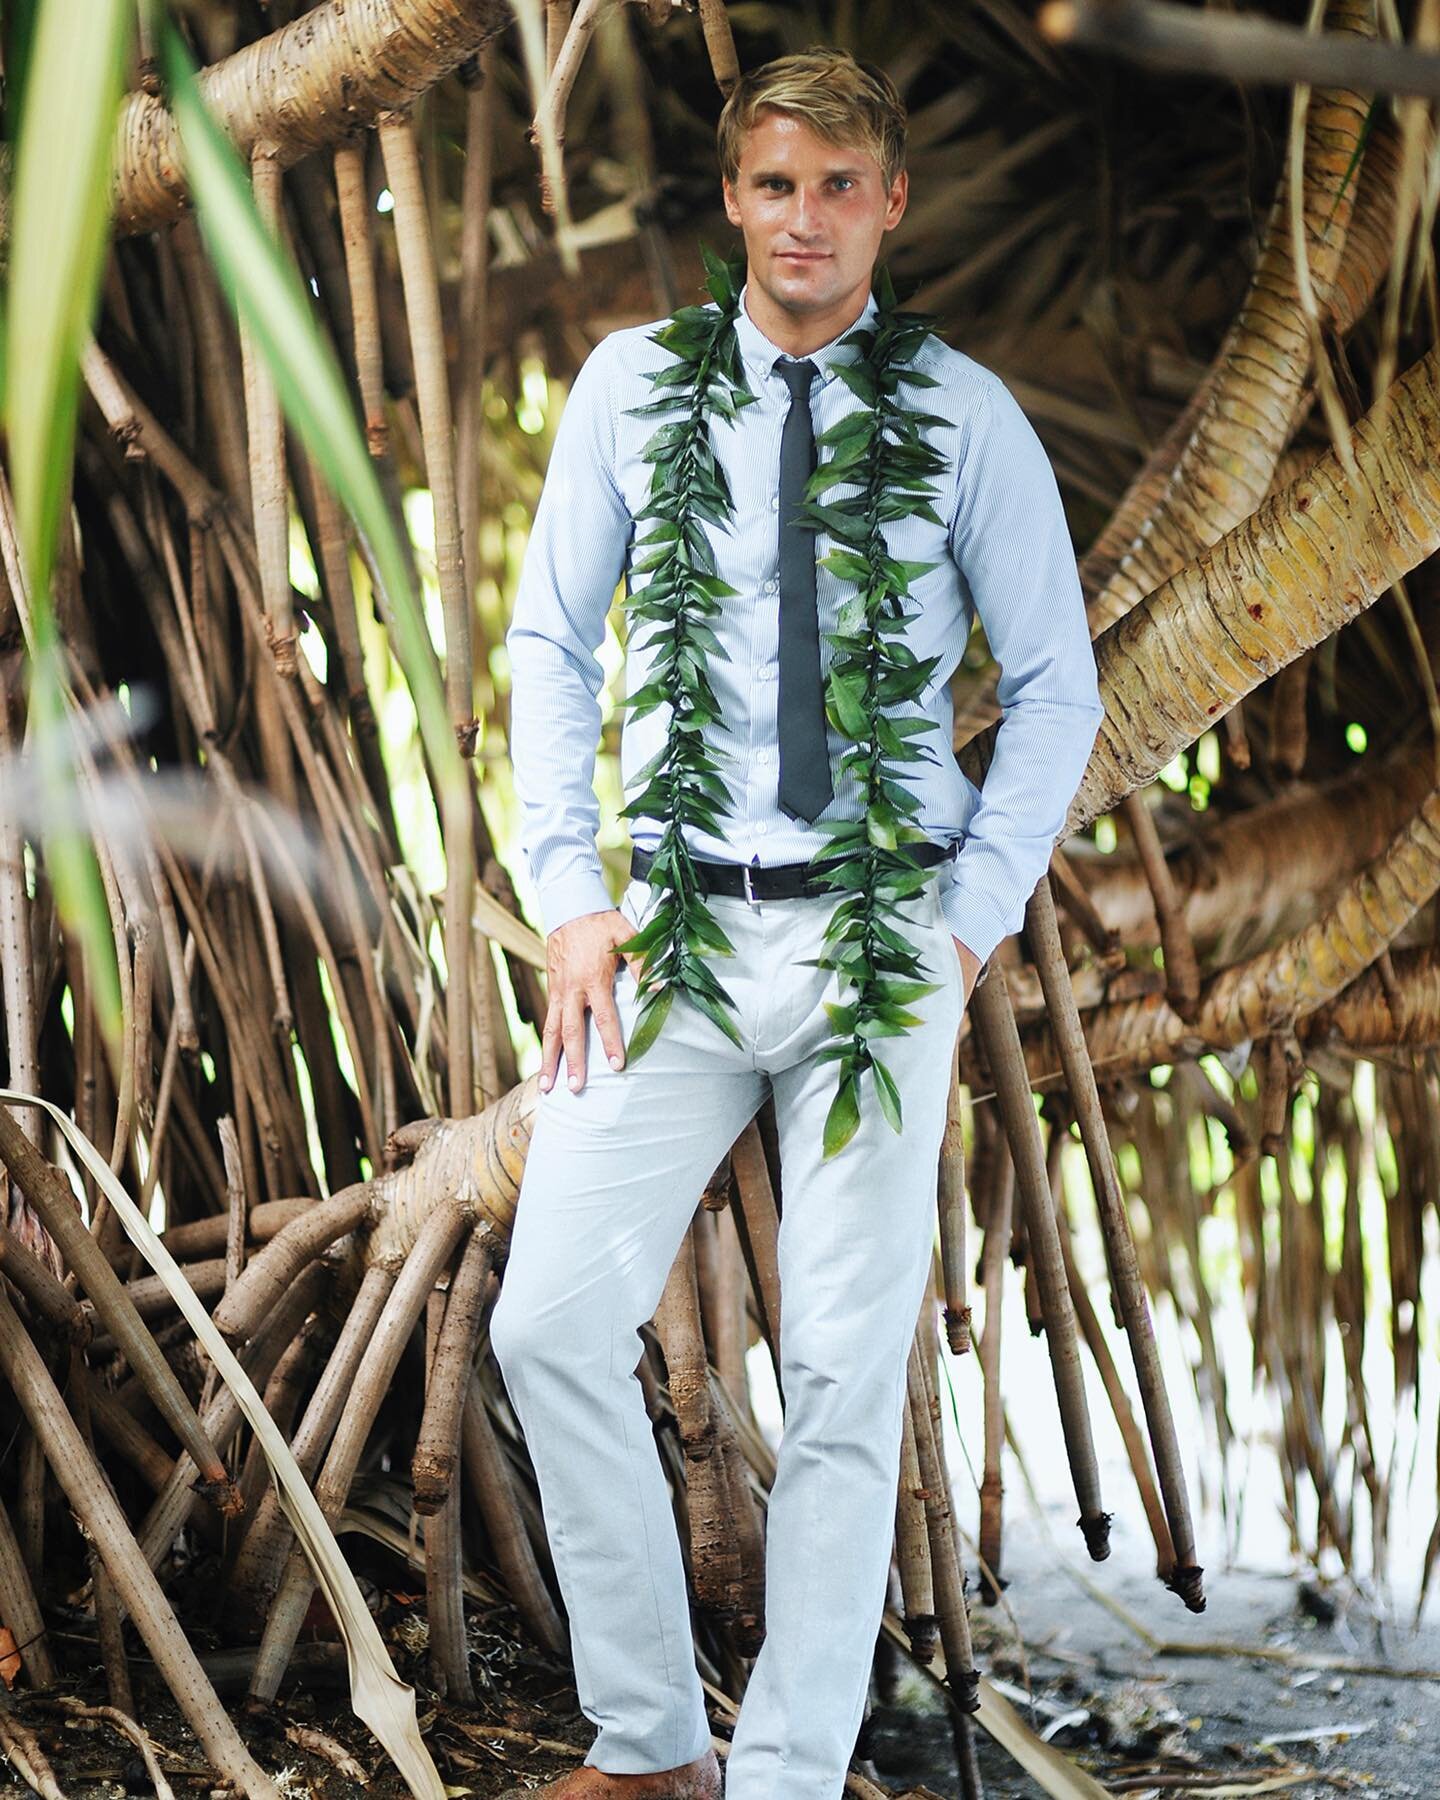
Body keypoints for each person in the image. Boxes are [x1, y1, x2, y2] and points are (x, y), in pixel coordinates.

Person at [491, 44, 1105, 1800]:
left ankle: (782, 1778)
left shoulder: (969, 418)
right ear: (733, 201)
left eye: (841, 186)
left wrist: (970, 922)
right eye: (776, 184)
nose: (806, 220)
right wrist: (572, 895)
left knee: (843, 1382)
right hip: (675, 944)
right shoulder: (629, 391)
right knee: (546, 1324)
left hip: (878, 948)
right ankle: (651, 1743)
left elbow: (1054, 688)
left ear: (891, 204)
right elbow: (550, 645)